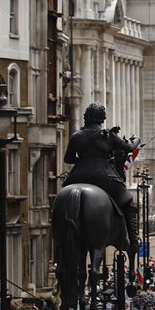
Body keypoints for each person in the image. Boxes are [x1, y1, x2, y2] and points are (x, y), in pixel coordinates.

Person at [62, 102, 141, 251]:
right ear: (102, 118)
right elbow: (130, 148)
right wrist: (136, 140)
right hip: (105, 178)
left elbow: (68, 159)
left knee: (62, 198)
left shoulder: (76, 136)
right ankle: (133, 241)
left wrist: (83, 160)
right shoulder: (108, 136)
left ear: (87, 117)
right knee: (128, 202)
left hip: (78, 177)